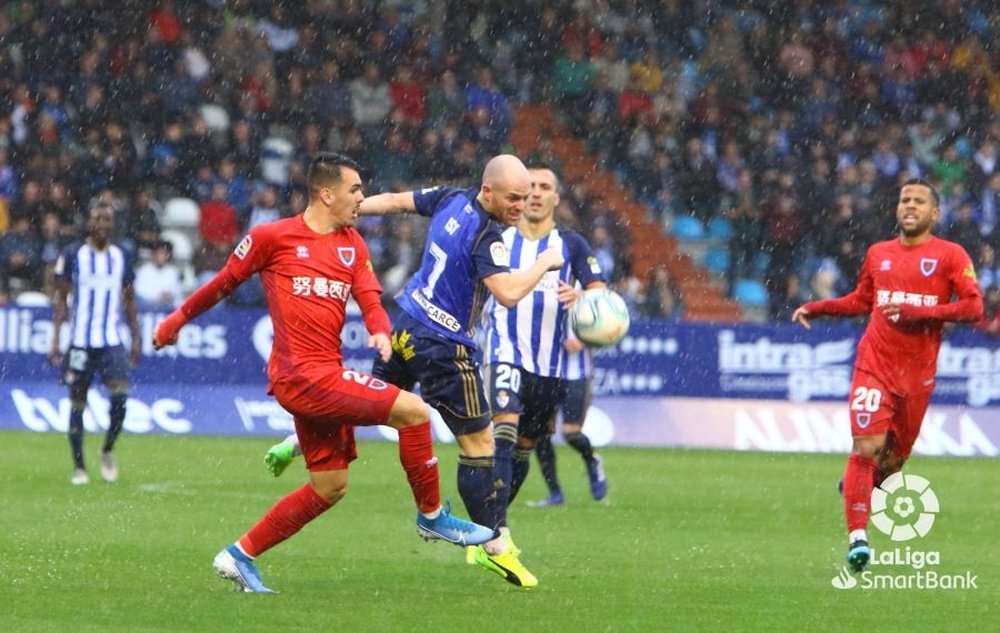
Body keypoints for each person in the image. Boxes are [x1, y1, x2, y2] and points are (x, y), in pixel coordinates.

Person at [153, 153, 493, 594]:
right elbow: (222, 284)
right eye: (355, 190)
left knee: (330, 486)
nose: (361, 198)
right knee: (412, 410)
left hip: (323, 375)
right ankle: (431, 518)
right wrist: (175, 321)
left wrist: (379, 332)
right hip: (301, 376)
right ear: (326, 193)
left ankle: (239, 555)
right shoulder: (272, 237)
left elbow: (371, 298)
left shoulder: (352, 243)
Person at [349, 154, 563, 588]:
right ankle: (494, 547)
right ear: (488, 191)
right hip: (443, 346)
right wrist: (543, 264)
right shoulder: (489, 235)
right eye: (513, 198)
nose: (521, 206)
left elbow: (391, 201)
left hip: (406, 322)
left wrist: (348, 211)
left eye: (525, 198)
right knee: (479, 446)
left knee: (366, 402)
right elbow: (505, 294)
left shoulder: (448, 198)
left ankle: (299, 437)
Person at [791, 178, 983, 574]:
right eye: (904, 199)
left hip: (916, 377)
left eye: (919, 201)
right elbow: (863, 300)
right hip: (873, 366)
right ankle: (858, 538)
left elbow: (973, 307)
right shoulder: (879, 254)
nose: (909, 205)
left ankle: (858, 489)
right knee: (866, 449)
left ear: (935, 214)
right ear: (897, 209)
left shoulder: (950, 255)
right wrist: (819, 306)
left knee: (892, 463)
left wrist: (923, 314)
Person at [482, 165, 608, 527]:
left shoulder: (572, 244)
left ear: (555, 197)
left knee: (524, 446)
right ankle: (495, 527)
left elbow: (601, 294)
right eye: (529, 187)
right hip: (504, 349)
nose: (536, 193)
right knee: (503, 432)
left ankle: (494, 519)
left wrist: (582, 295)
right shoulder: (497, 236)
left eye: (544, 187)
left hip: (551, 367)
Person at [48, 203, 141, 485]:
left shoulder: (121, 256)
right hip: (80, 343)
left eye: (107, 219)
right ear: (89, 222)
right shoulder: (73, 254)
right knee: (77, 403)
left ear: (113, 224)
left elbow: (129, 300)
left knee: (120, 399)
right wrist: (55, 339)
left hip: (111, 341)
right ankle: (79, 467)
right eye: (97, 218)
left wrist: (136, 338)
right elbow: (61, 301)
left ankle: (107, 449)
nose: (102, 223)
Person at [528, 338, 608, 508]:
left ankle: (592, 459)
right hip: (546, 374)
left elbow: (610, 330)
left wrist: (585, 340)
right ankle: (555, 493)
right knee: (540, 434)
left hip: (577, 375)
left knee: (571, 433)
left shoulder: (585, 310)